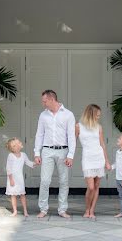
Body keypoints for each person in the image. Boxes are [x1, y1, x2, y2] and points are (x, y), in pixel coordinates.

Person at [33, 89, 76, 218]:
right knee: (45, 181)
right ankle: (43, 209)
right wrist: (37, 153)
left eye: (45, 101)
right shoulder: (43, 115)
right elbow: (39, 134)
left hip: (63, 151)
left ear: (52, 99)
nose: (43, 103)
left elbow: (71, 136)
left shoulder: (68, 115)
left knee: (64, 181)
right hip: (47, 151)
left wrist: (71, 155)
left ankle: (62, 209)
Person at [75, 104, 110, 220]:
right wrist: (69, 156)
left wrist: (107, 161)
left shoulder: (99, 127)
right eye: (97, 115)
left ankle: (91, 210)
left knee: (96, 186)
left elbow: (102, 144)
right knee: (90, 187)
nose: (98, 117)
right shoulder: (78, 126)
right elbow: (72, 142)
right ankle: (87, 209)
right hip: (87, 158)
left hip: (99, 158)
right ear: (91, 114)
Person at [5, 137, 35, 217]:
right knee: (13, 195)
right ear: (15, 146)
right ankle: (15, 211)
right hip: (12, 178)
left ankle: (25, 210)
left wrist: (35, 163)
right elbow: (8, 168)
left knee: (22, 194)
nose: (21, 143)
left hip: (20, 178)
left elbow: (28, 163)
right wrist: (11, 179)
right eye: (19, 142)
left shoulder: (23, 155)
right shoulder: (11, 156)